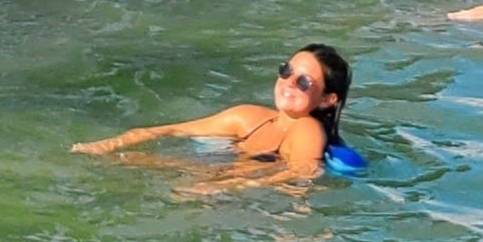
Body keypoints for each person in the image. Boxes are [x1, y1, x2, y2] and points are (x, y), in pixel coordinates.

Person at [73, 45, 353, 182]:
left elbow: (303, 171)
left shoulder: (306, 129)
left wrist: (228, 189)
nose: (289, 83)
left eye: (304, 82)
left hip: (247, 200)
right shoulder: (250, 117)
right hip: (220, 178)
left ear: (328, 99)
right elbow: (173, 129)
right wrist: (109, 144)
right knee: (129, 160)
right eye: (286, 71)